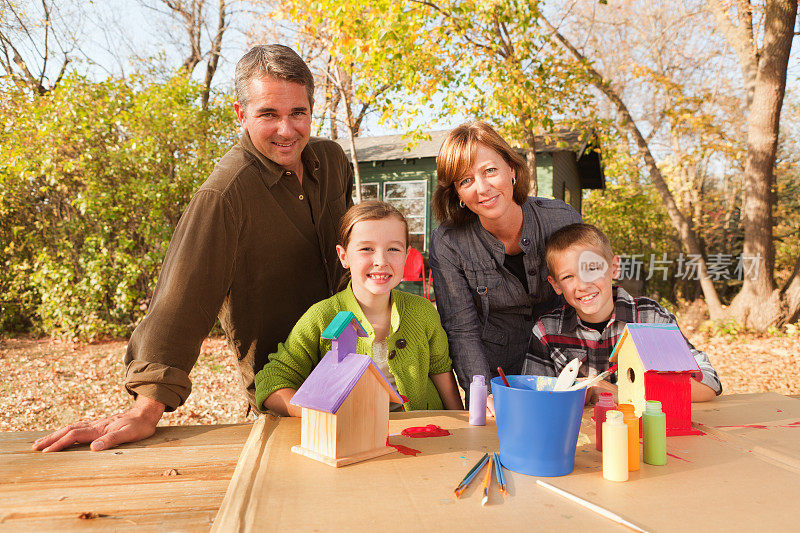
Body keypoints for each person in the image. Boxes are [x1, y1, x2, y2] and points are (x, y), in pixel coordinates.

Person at [33, 45, 354, 453]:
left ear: (312, 109)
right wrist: (144, 409)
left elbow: (352, 246)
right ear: (241, 114)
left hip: (353, 366)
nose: (286, 129)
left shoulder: (332, 162)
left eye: (298, 113)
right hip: (284, 391)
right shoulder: (225, 195)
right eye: (268, 114)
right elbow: (182, 300)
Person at [256, 201, 464, 414]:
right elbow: (272, 381)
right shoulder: (322, 316)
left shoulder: (422, 311)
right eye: (366, 249)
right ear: (343, 255)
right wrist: (319, 415)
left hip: (421, 433)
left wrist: (463, 425)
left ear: (406, 255)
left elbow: (441, 370)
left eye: (393, 249)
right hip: (349, 438)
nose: (381, 261)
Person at [429, 121, 581, 406]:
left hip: (565, 367)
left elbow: (588, 295)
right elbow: (462, 329)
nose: (482, 188)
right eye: (466, 181)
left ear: (511, 168)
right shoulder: (448, 242)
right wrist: (481, 393)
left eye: (490, 170)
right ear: (457, 194)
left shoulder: (561, 219)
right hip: (498, 374)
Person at [522, 223, 721, 402]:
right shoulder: (546, 331)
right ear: (556, 285)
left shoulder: (650, 318)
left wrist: (623, 393)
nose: (582, 284)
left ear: (614, 268)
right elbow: (532, 399)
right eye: (568, 276)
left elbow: (708, 384)